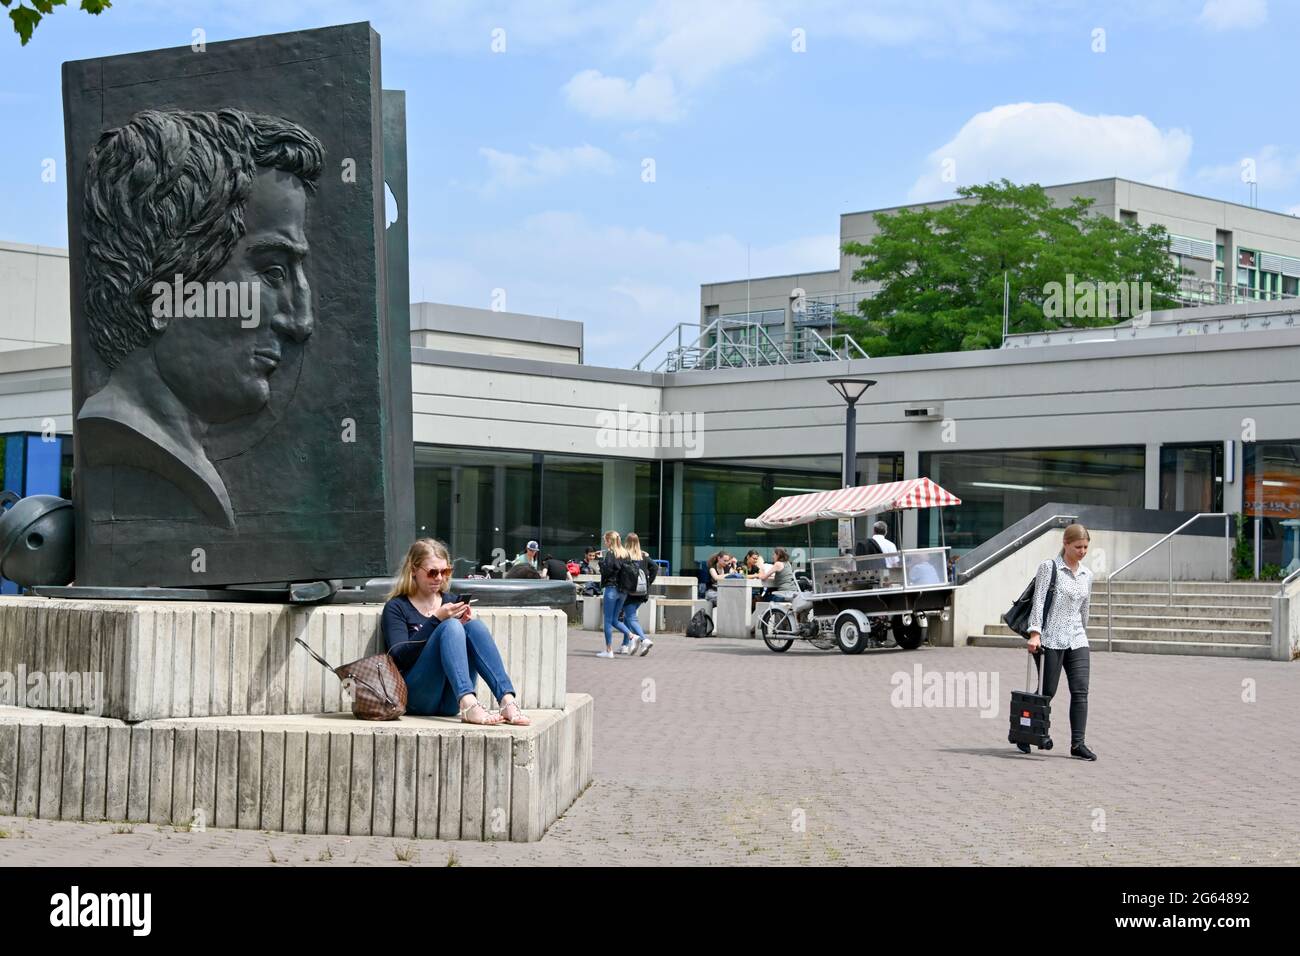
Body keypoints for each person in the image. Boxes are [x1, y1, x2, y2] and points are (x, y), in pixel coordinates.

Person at [77, 108, 324, 529]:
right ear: (162, 281)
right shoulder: (122, 438)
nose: (300, 321)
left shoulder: (185, 450)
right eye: (273, 273)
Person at [380, 538, 530, 726]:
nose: (439, 578)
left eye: (445, 571)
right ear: (413, 571)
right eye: (432, 572)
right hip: (416, 698)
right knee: (450, 626)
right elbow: (399, 657)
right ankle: (469, 704)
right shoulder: (397, 606)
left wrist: (461, 626)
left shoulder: (451, 600)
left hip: (451, 701)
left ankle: (506, 700)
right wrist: (436, 620)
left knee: (474, 627)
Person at [1025, 523, 1096, 761]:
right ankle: (1026, 732)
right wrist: (1035, 633)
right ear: (1066, 544)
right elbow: (1038, 601)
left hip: (1077, 639)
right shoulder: (1049, 568)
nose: (1082, 551)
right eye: (1078, 546)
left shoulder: (1087, 574)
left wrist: (1083, 635)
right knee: (1047, 691)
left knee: (1081, 691)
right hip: (1051, 638)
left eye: (1086, 547)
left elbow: (1084, 609)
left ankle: (1078, 743)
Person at [618, 532, 656, 656]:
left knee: (631, 618)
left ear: (627, 543)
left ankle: (644, 640)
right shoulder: (643, 557)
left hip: (629, 592)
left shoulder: (624, 556)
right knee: (629, 618)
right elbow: (655, 567)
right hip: (641, 592)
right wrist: (648, 582)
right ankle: (626, 645)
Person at [597, 530, 632, 658]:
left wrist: (601, 562)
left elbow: (606, 572)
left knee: (607, 620)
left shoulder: (611, 554)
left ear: (609, 541)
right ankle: (632, 636)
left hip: (611, 589)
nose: (604, 543)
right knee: (615, 620)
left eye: (605, 541)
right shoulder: (625, 554)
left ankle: (608, 650)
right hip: (623, 591)